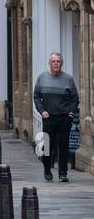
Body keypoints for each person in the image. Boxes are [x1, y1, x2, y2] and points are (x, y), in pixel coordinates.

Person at [34, 52, 79, 182]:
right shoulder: (42, 78)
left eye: (58, 61)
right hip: (48, 117)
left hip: (64, 117)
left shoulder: (68, 79)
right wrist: (42, 111)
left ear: (61, 63)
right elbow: (36, 96)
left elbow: (75, 99)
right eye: (53, 62)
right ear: (49, 63)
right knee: (47, 145)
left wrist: (71, 113)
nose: (56, 64)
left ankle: (62, 173)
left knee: (63, 145)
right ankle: (47, 170)